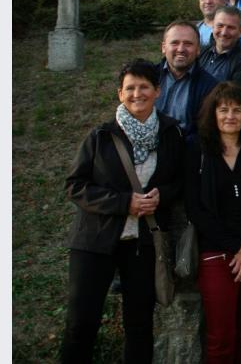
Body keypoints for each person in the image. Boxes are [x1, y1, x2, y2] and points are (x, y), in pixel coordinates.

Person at [61, 61, 184, 364]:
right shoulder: (101, 136)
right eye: (130, 87)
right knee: (81, 323)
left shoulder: (171, 134)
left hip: (142, 244)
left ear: (158, 90)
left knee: (140, 324)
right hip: (95, 241)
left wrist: (162, 196)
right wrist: (123, 203)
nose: (137, 93)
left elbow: (179, 181)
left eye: (144, 87)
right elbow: (75, 186)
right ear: (120, 93)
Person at [186, 82, 241, 364]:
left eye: (237, 110)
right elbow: (195, 208)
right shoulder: (197, 151)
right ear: (212, 114)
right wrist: (236, 246)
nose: (230, 116)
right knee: (221, 336)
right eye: (223, 109)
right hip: (217, 253)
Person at [154, 20, 218, 141]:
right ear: (163, 47)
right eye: (175, 43)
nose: (181, 49)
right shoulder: (148, 76)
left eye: (188, 44)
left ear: (198, 50)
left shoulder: (210, 87)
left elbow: (205, 132)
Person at [198, 6, 241, 87]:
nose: (224, 32)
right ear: (213, 27)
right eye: (220, 26)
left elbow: (232, 97)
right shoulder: (200, 52)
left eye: (231, 27)